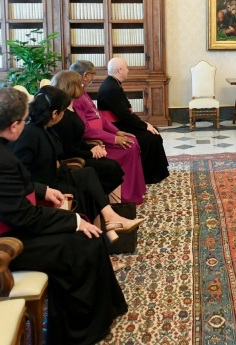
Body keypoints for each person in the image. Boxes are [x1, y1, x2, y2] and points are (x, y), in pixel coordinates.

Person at [0, 87, 127, 345]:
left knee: (83, 235)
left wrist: (43, 190)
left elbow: (12, 186)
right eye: (24, 120)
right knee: (81, 242)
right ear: (14, 125)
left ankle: (103, 312)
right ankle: (78, 334)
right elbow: (24, 218)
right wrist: (73, 221)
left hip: (2, 229)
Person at [11, 85, 143, 239]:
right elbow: (20, 175)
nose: (64, 115)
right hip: (45, 184)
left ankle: (110, 219)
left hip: (56, 174)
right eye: (62, 112)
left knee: (88, 174)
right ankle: (101, 235)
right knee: (85, 189)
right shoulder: (29, 134)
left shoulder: (45, 126)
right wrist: (45, 190)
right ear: (54, 114)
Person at [69, 61, 147, 204]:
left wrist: (116, 132)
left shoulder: (83, 92)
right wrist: (113, 139)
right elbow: (85, 130)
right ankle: (126, 196)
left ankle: (135, 192)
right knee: (129, 146)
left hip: (103, 133)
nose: (93, 76)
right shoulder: (76, 98)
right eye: (93, 73)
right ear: (85, 76)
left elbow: (99, 116)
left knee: (133, 141)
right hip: (94, 140)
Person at [49, 71, 124, 198]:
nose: (83, 86)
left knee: (112, 165)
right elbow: (67, 149)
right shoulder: (62, 115)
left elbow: (78, 138)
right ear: (72, 87)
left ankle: (111, 204)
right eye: (80, 84)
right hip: (71, 159)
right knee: (110, 167)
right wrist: (91, 153)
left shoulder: (71, 108)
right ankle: (103, 203)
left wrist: (94, 148)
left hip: (80, 152)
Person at [98, 58, 171, 184]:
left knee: (153, 131)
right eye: (127, 67)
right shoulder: (111, 88)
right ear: (120, 70)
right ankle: (149, 175)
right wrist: (144, 126)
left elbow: (125, 113)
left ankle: (157, 172)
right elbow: (125, 115)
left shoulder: (113, 83)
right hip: (115, 127)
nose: (128, 70)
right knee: (150, 136)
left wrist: (144, 124)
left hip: (119, 122)